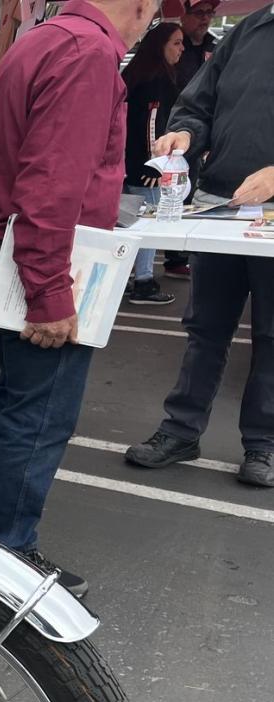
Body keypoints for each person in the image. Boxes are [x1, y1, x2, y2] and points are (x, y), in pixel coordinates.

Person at [0, 0, 160, 598]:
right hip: (50, 255)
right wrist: (51, 291)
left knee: (18, 393)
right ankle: (7, 553)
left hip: (21, 249)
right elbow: (54, 182)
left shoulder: (42, 39)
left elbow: (24, 165)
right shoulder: (88, 51)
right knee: (42, 407)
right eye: (151, 15)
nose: (146, 26)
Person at [125, 8, 274, 487]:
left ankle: (264, 445)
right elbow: (197, 103)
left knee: (272, 337)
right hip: (220, 204)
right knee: (205, 328)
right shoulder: (250, 30)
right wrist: (186, 134)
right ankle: (181, 430)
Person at [122, 21, 184, 306]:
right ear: (160, 45)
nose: (182, 49)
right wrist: (153, 164)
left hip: (126, 162)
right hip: (143, 166)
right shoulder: (157, 78)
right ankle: (143, 281)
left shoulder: (137, 73)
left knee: (129, 222)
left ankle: (127, 277)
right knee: (147, 223)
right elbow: (151, 124)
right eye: (176, 42)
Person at [162, 0, 219, 279]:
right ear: (183, 16)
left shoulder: (216, 48)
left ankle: (180, 254)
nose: (206, 19)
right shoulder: (168, 43)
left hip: (197, 135)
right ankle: (171, 256)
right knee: (168, 195)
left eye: (210, 13)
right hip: (169, 132)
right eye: (199, 13)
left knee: (191, 193)